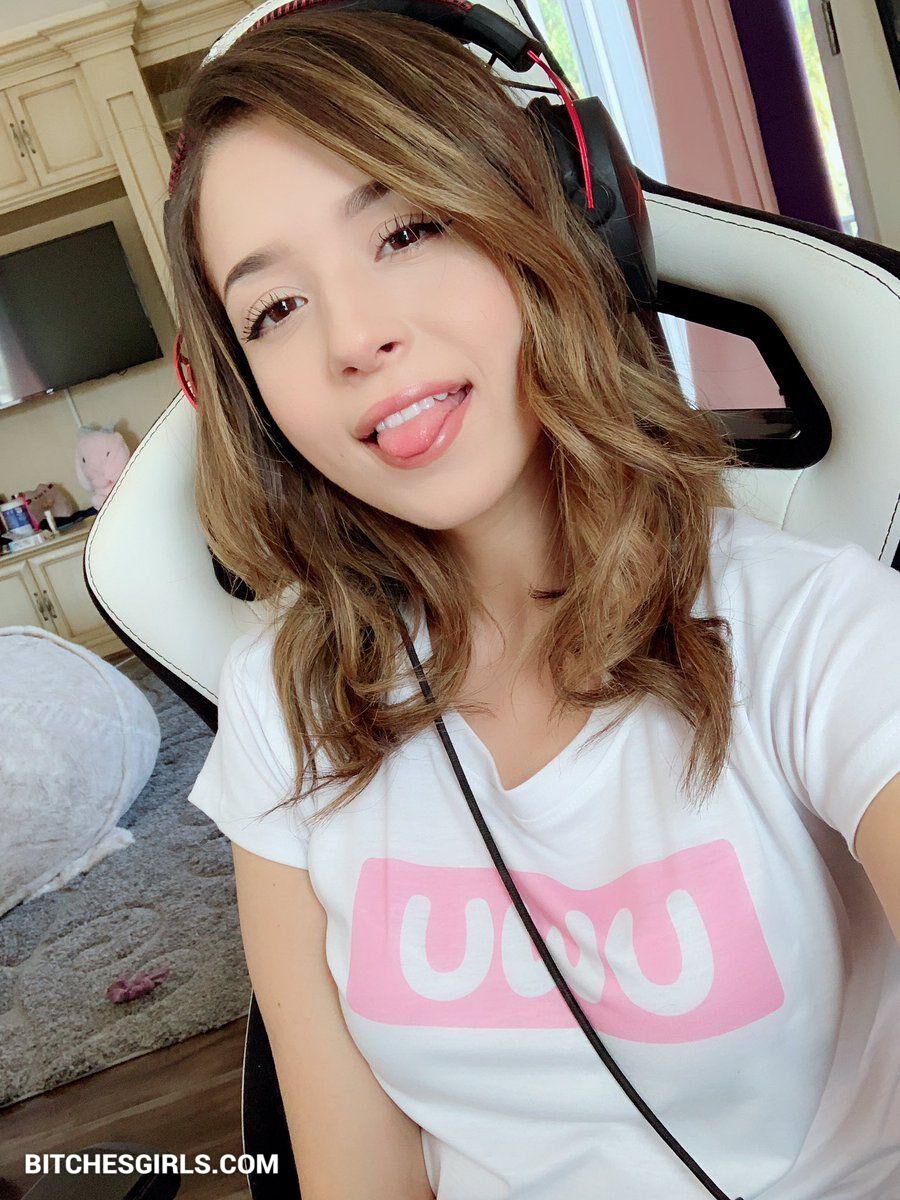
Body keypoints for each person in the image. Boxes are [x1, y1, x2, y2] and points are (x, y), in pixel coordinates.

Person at [167, 5, 900, 1198]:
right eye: (275, 309)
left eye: (406, 229)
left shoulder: (821, 636)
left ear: (550, 217)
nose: (357, 338)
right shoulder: (284, 699)